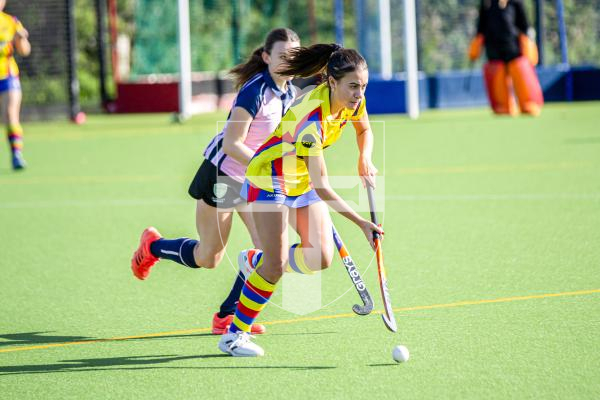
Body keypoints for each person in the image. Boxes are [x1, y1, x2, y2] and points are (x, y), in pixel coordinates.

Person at [217, 44, 383, 357]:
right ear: (332, 83)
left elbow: (365, 131)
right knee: (276, 266)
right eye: (353, 86)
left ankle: (254, 260)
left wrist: (365, 157)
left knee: (320, 256)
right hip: (270, 179)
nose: (359, 94)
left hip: (301, 179)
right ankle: (234, 335)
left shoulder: (351, 101)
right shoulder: (312, 122)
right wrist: (361, 222)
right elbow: (322, 186)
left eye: (363, 86)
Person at [130, 28, 300, 335]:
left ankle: (227, 316)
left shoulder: (290, 93)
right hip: (224, 176)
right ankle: (153, 246)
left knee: (270, 255)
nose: (289, 61)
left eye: (294, 56)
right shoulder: (256, 90)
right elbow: (233, 144)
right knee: (208, 257)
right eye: (282, 55)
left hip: (255, 179)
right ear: (266, 57)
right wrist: (270, 168)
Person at [468, 0, 543, 116]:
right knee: (497, 74)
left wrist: (529, 41)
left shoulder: (515, 2)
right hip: (493, 48)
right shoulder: (486, 3)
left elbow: (524, 24)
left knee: (520, 72)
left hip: (514, 47)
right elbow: (481, 25)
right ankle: (503, 105)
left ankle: (529, 103)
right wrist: (477, 43)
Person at [0, 0, 31, 170]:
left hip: (7, 76)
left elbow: (25, 51)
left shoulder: (11, 22)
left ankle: (16, 154)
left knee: (10, 115)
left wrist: (21, 39)